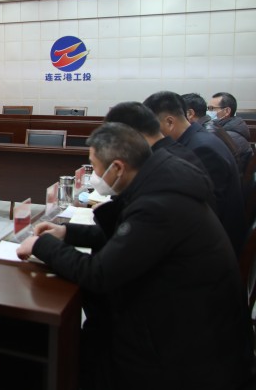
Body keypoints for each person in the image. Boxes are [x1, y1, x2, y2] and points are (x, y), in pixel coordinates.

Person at [16, 123, 253, 390]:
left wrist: (42, 245)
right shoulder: (162, 182)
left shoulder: (158, 206)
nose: (94, 176)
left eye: (94, 166)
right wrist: (66, 232)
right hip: (183, 320)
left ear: (117, 168)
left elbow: (99, 274)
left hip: (184, 350)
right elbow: (127, 237)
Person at [143, 91, 246, 255]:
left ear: (169, 122)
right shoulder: (195, 139)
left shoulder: (202, 149)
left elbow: (206, 208)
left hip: (214, 249)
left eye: (153, 128)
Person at [208, 91, 253, 175]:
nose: (209, 112)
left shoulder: (229, 136)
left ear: (227, 111)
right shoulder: (228, 128)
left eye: (212, 108)